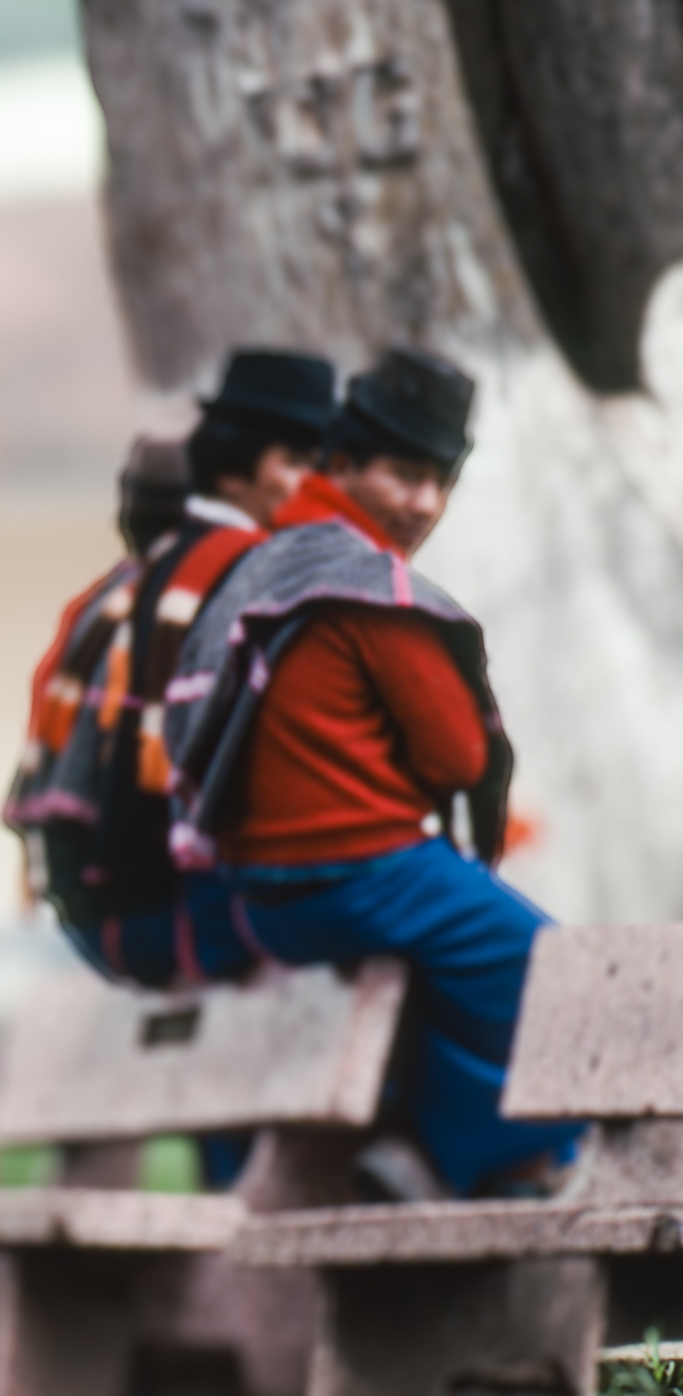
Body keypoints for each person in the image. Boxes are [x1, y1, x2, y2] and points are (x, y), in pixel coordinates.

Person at [164, 348, 586, 1197]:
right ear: (343, 463)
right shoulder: (364, 582)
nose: (423, 503)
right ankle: (454, 1153)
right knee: (563, 987)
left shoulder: (262, 564)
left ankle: (447, 1160)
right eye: (403, 473)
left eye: (440, 481)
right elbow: (457, 756)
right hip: (366, 870)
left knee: (451, 996)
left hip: (261, 894)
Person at [6, 349, 338, 990]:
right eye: (299, 462)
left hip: (102, 911)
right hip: (166, 915)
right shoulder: (236, 574)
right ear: (229, 473)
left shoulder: (115, 594)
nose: (319, 486)